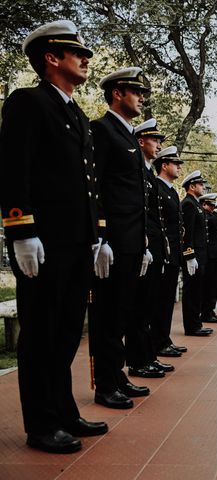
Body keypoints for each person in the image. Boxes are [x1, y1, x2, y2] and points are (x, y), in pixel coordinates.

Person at [0, 19, 107, 453]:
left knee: (65, 332)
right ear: (51, 57)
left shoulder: (76, 114)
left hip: (76, 242)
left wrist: (98, 235)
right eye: (76, 52)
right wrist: (21, 228)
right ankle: (41, 424)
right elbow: (12, 169)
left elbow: (87, 182)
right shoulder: (28, 102)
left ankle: (63, 411)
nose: (85, 59)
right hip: (43, 242)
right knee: (42, 332)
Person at [91, 67, 153, 409]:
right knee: (107, 315)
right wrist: (101, 236)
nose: (141, 97)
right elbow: (95, 186)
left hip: (131, 242)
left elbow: (136, 199)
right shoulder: (102, 130)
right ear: (117, 93)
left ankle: (117, 375)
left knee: (122, 312)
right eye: (136, 91)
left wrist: (142, 243)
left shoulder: (129, 135)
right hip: (113, 242)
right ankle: (105, 384)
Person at [131, 117, 173, 378]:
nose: (158, 144)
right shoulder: (140, 170)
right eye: (154, 139)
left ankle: (147, 356)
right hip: (138, 245)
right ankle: (138, 360)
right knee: (138, 309)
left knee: (146, 307)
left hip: (150, 248)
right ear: (140, 140)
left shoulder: (146, 172)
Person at [153, 146, 188, 357]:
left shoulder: (172, 191)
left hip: (173, 253)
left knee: (167, 302)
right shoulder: (157, 187)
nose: (179, 168)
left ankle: (164, 339)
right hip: (163, 252)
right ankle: (158, 342)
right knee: (159, 302)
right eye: (175, 164)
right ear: (164, 165)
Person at [181, 170, 214, 337]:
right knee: (191, 291)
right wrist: (189, 255)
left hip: (201, 255)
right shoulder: (188, 204)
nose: (203, 187)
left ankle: (196, 323)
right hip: (194, 256)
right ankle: (191, 326)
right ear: (192, 186)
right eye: (200, 184)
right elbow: (187, 233)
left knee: (197, 291)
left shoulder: (196, 204)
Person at [200, 193, 217, 323]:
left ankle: (210, 311)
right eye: (210, 204)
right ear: (204, 204)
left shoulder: (211, 216)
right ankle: (206, 313)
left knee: (214, 286)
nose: (213, 207)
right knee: (210, 286)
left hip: (216, 256)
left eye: (214, 204)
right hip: (211, 256)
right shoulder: (206, 217)